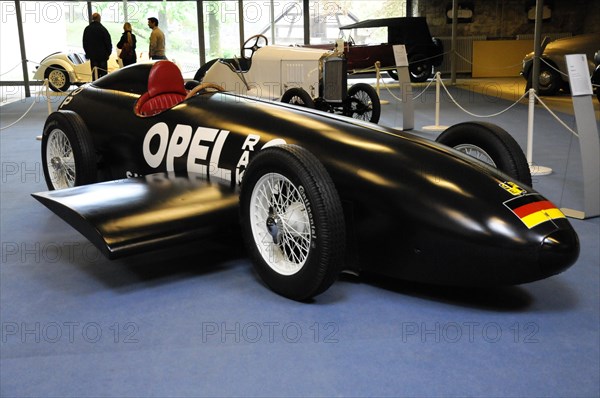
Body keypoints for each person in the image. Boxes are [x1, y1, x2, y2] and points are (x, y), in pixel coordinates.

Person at [82, 13, 112, 79]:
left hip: (93, 56)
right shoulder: (103, 29)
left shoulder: (87, 29)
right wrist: (108, 53)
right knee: (104, 77)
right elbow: (108, 43)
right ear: (99, 19)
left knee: (95, 75)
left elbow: (85, 43)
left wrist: (88, 53)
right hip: (102, 56)